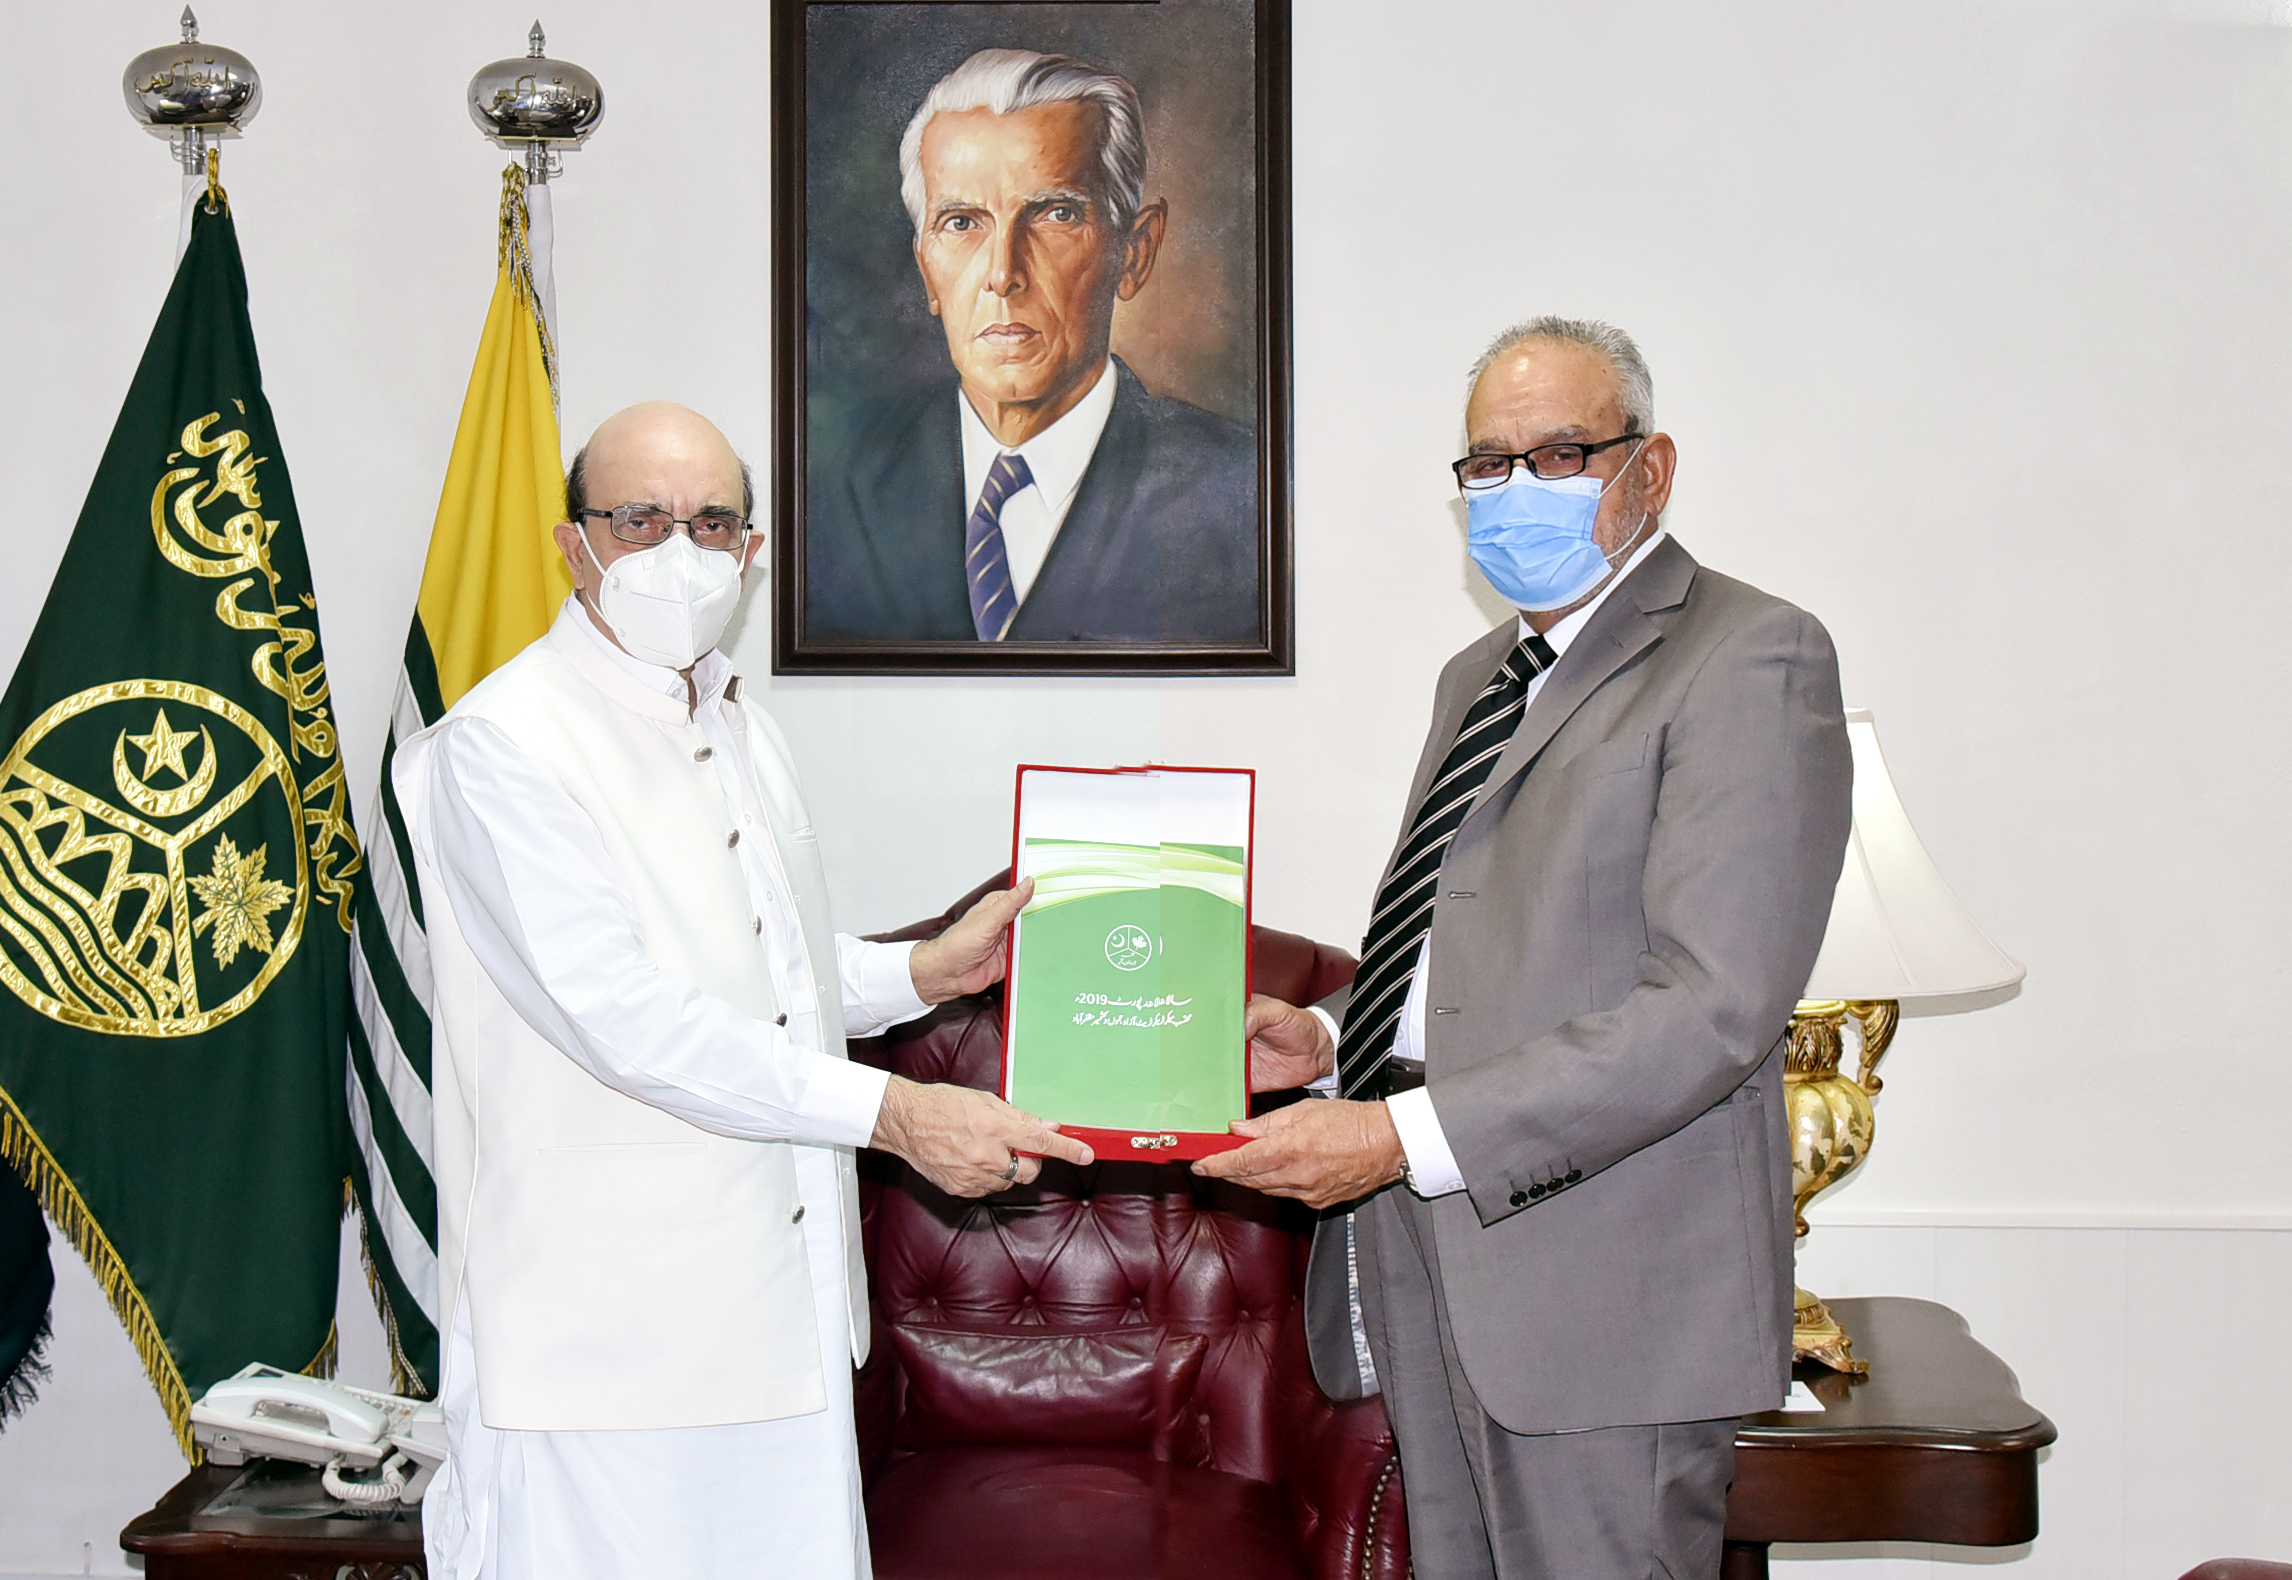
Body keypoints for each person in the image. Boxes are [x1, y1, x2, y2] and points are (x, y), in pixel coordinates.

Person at [1196, 320, 1853, 1579]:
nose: (1513, 494)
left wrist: (1397, 1134)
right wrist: (1338, 1038)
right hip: (1432, 1263)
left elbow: (1714, 1007)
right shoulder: (1482, 672)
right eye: (1484, 466)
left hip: (1608, 1300)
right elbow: (1479, 933)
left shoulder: (1751, 654)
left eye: (1557, 455)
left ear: (1649, 470)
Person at [396, 401, 1093, 1580]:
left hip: (784, 1325)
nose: (681, 550)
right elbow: (621, 1013)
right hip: (606, 1354)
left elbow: (763, 971)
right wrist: (896, 1113)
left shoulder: (738, 723)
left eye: (713, 521)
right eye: (641, 518)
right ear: (574, 544)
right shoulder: (503, 745)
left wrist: (920, 972)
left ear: (752, 551)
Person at [804, 47, 1260, 646]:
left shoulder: (1242, 497)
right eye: (962, 223)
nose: (1001, 273)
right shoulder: (837, 492)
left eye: (1054, 214)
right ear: (925, 269)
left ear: (1135, 253)